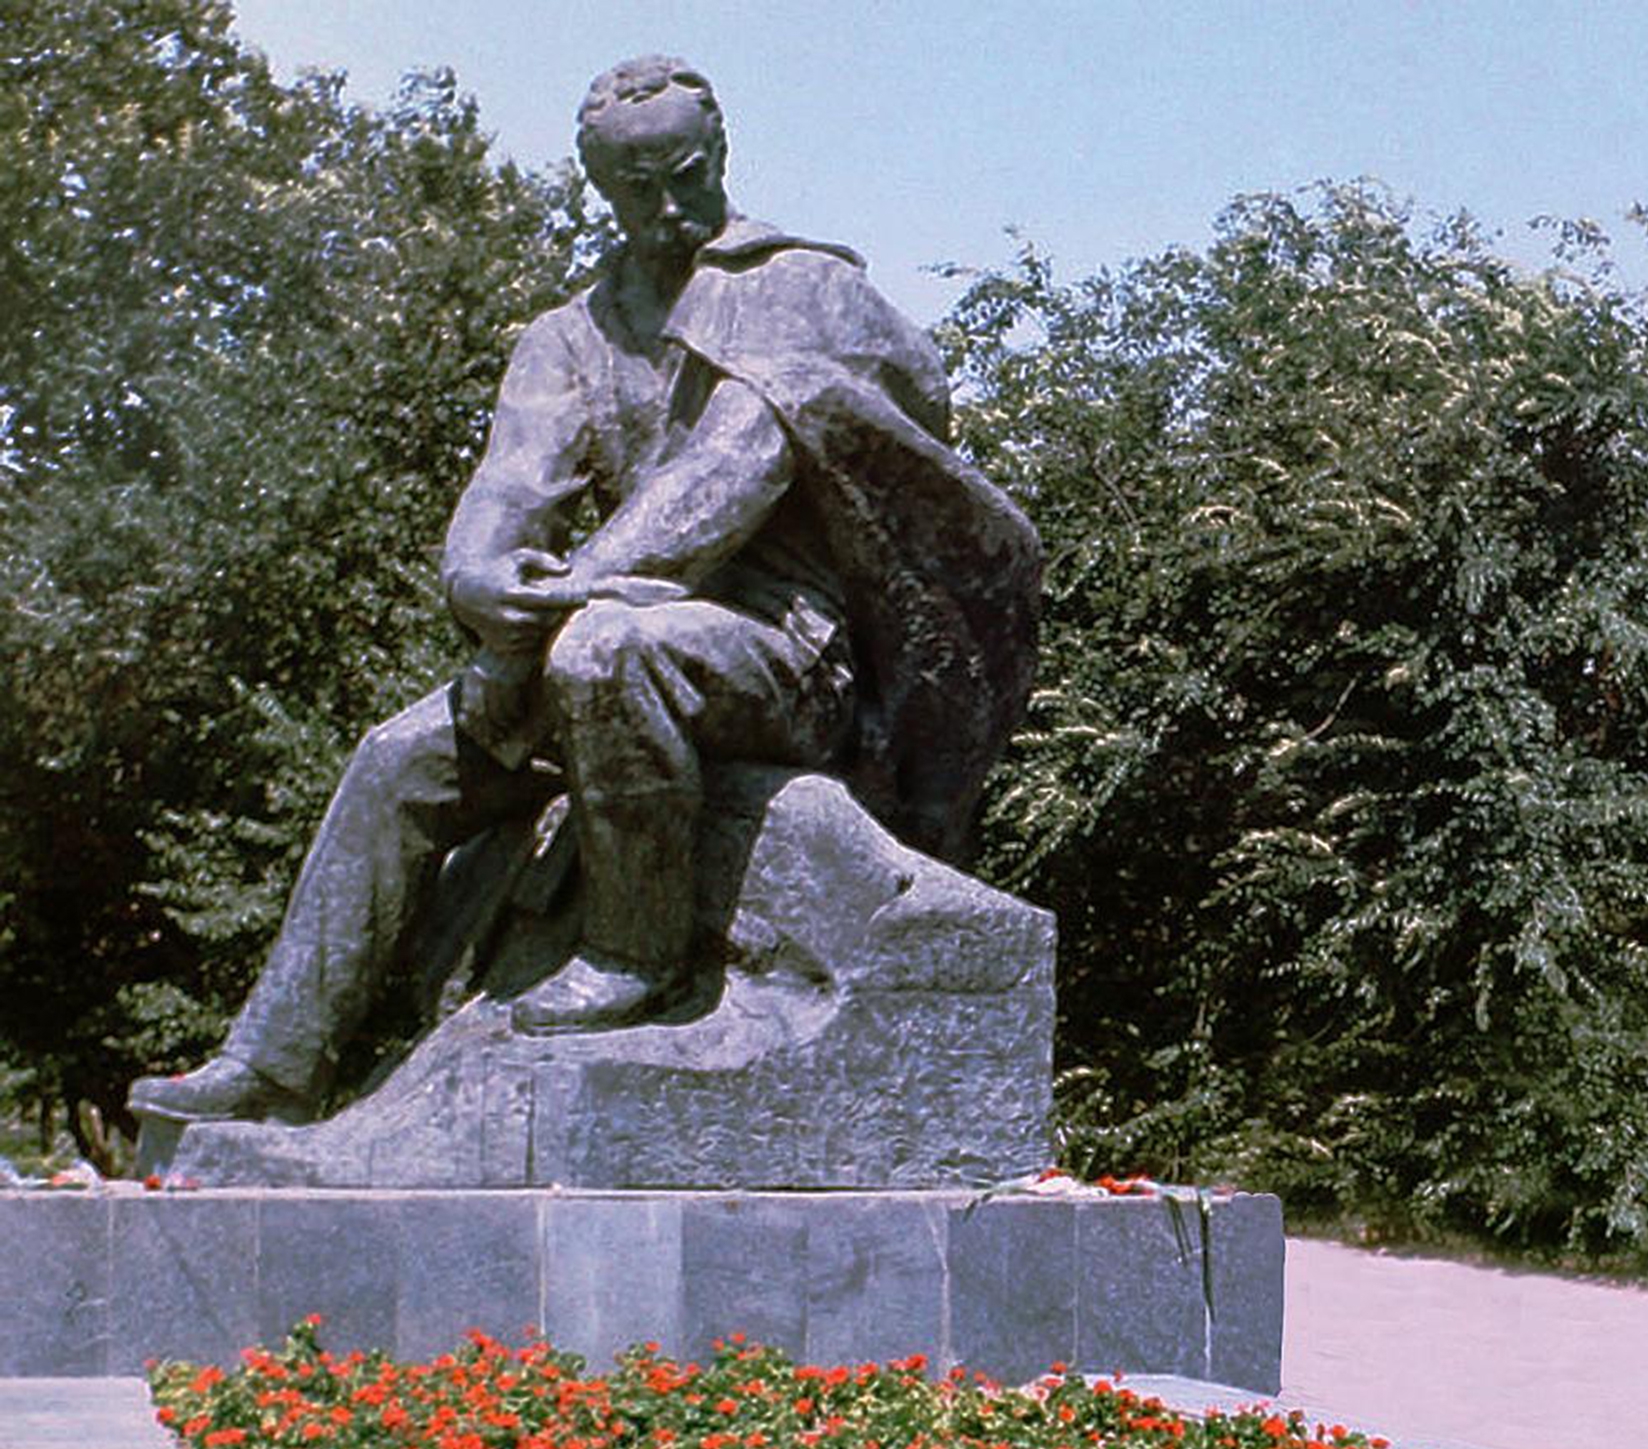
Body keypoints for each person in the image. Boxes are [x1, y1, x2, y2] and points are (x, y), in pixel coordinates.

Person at [132, 55, 1038, 1126]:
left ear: (721, 152)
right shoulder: (570, 336)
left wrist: (546, 623)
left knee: (609, 652)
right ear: (600, 188)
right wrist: (481, 585)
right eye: (637, 189)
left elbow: (725, 484)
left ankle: (634, 953)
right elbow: (508, 491)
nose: (669, 208)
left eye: (687, 176)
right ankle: (275, 1066)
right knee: (398, 759)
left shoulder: (797, 290)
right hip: (598, 627)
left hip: (784, 660)